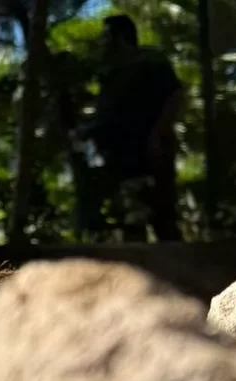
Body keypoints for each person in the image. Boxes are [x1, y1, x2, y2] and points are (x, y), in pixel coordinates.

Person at [77, 14, 186, 242]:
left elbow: (175, 95)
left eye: (107, 36)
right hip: (119, 156)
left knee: (161, 216)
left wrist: (158, 134)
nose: (103, 41)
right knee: (129, 220)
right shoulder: (111, 70)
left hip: (150, 151)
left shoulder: (149, 61)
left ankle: (181, 273)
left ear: (120, 36)